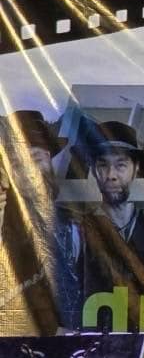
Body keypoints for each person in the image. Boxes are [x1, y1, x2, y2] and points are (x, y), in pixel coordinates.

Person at [78, 120, 144, 304]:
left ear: (136, 169)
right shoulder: (78, 232)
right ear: (94, 170)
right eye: (103, 165)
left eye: (120, 165)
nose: (111, 175)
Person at [0, 110, 82, 335]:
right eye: (18, 164)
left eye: (35, 159)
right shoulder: (4, 227)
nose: (30, 172)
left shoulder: (75, 227)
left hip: (70, 344)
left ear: (48, 159)